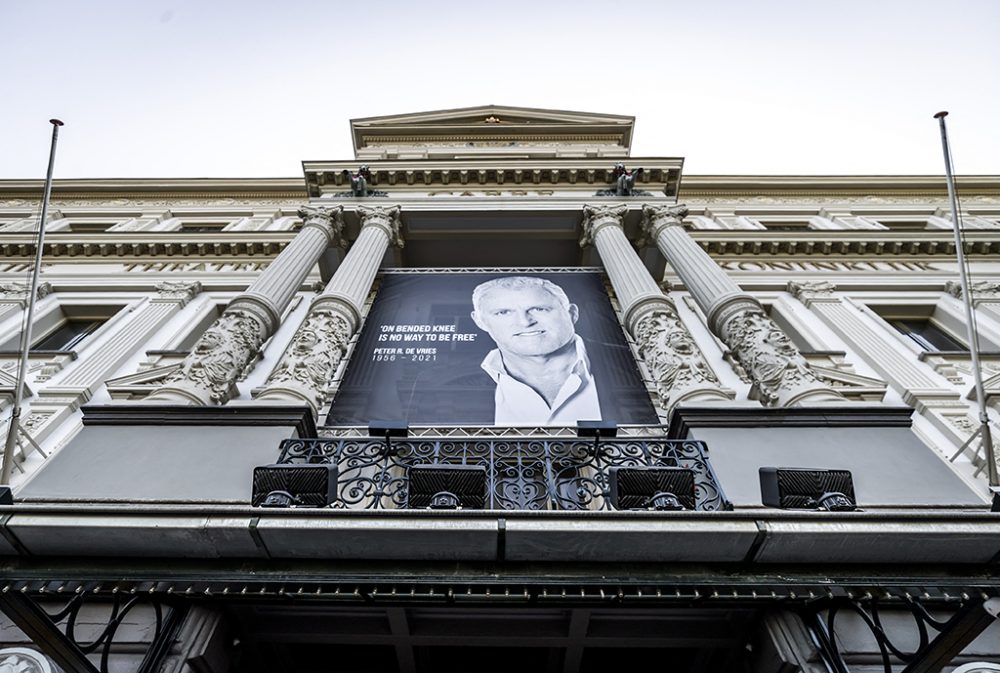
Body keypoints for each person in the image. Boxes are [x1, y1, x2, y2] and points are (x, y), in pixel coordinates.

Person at [471, 276, 601, 425]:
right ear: (480, 322)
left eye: (539, 309)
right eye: (503, 312)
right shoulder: (467, 387)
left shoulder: (626, 364)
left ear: (572, 313)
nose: (525, 322)